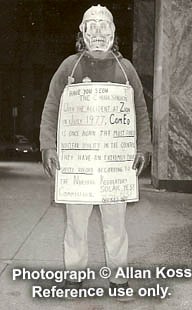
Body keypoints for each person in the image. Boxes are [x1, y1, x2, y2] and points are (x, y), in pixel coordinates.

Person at [40, 4, 152, 296]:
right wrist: (47, 145)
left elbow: (139, 109)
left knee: (115, 225)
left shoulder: (126, 69)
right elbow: (52, 106)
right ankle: (74, 274)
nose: (99, 33)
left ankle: (118, 277)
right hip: (79, 167)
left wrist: (144, 147)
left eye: (105, 27)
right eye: (93, 26)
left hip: (115, 166)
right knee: (76, 224)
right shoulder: (69, 67)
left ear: (113, 32)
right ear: (83, 32)